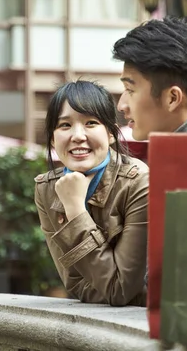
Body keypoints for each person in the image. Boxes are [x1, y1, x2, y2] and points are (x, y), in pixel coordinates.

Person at [34, 80, 149, 307]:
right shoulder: (46, 189)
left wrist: (75, 210)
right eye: (65, 125)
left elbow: (120, 290)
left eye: (91, 123)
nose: (77, 135)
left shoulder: (139, 182)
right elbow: (75, 285)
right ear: (52, 139)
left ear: (111, 134)